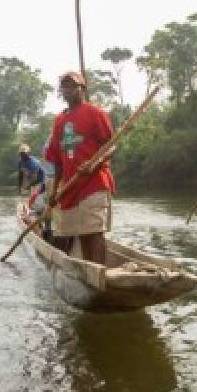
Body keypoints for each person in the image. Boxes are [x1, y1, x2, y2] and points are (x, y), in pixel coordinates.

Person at [44, 71, 115, 265]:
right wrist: (56, 189)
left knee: (93, 232)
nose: (67, 90)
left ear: (82, 89)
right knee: (81, 234)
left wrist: (93, 164)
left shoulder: (95, 113)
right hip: (70, 188)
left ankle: (98, 273)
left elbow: (111, 147)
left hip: (93, 184)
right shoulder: (59, 121)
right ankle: (88, 273)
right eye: (64, 87)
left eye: (72, 86)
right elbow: (58, 161)